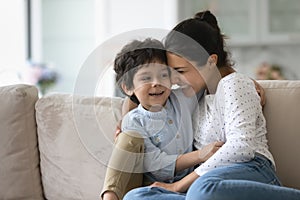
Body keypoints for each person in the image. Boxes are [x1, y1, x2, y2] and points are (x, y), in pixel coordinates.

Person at [123, 10, 300, 200]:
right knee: (136, 196)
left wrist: (178, 186)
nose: (173, 79)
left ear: (210, 61)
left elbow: (242, 147)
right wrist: (123, 122)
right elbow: (146, 96)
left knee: (203, 190)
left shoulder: (234, 84)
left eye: (180, 71)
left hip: (250, 170)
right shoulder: (193, 95)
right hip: (205, 182)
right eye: (170, 72)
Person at [101, 38, 223, 200]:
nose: (157, 83)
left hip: (189, 185)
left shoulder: (185, 98)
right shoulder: (134, 121)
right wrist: (200, 155)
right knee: (129, 140)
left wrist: (245, 82)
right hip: (149, 187)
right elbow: (157, 166)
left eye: (163, 75)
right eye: (146, 78)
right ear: (128, 87)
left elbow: (210, 79)